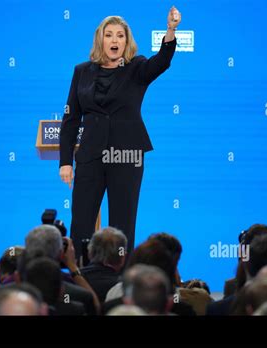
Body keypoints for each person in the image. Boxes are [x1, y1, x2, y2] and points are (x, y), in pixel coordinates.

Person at [59, 7, 182, 258]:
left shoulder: (136, 68)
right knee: (81, 223)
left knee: (122, 224)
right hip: (90, 156)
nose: (114, 40)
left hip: (126, 155)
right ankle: (83, 278)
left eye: (120, 35)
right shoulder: (82, 71)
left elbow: (162, 61)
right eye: (109, 35)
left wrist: (170, 30)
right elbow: (71, 118)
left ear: (127, 41)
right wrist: (65, 162)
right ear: (100, 39)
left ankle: (119, 283)